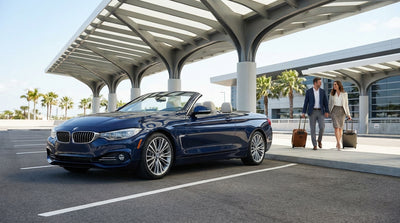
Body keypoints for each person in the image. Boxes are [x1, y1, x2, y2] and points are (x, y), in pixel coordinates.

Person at [302, 77, 329, 150]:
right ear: (315, 83)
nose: (320, 83)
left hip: (321, 112)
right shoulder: (309, 91)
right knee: (312, 129)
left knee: (322, 127)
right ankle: (314, 145)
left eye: (320, 82)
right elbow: (306, 103)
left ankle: (319, 140)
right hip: (312, 112)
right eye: (319, 82)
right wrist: (303, 112)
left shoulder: (322, 91)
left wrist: (327, 111)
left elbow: (325, 103)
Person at [329, 80, 352, 150]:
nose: (334, 86)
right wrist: (330, 111)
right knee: (336, 127)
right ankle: (338, 143)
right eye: (333, 85)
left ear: (339, 85)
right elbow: (329, 103)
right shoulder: (332, 94)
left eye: (335, 84)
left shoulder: (344, 94)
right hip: (334, 110)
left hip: (342, 111)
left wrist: (348, 114)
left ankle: (338, 142)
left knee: (340, 128)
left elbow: (346, 105)